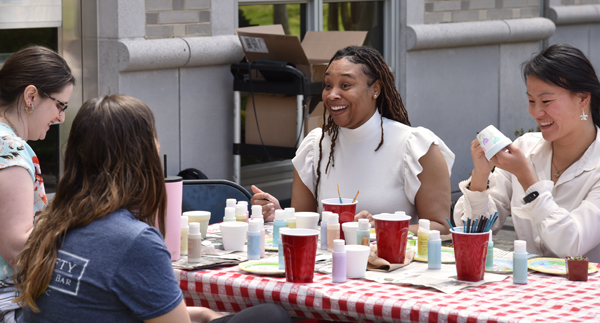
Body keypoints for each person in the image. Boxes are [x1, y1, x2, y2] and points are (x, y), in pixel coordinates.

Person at [14, 95, 291, 323]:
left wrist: (204, 314)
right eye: (153, 139)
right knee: (271, 316)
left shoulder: (52, 223)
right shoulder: (133, 241)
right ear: (140, 154)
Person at [252, 46, 454, 234]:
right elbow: (305, 224)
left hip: (391, 268)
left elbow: (441, 226)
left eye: (345, 85)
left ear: (375, 89)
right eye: (327, 85)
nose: (332, 95)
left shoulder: (416, 147)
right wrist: (278, 215)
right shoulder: (315, 147)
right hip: (329, 267)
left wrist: (381, 229)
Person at [453, 44, 600, 262]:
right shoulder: (524, 148)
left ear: (582, 99)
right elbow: (472, 231)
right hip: (523, 287)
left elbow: (571, 245)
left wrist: (527, 179)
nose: (536, 112)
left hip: (583, 293)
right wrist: (481, 177)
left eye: (546, 101)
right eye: (531, 101)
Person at [0, 46, 74, 323]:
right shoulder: (11, 150)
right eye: (60, 105)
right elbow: (18, 248)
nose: (61, 118)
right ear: (31, 96)